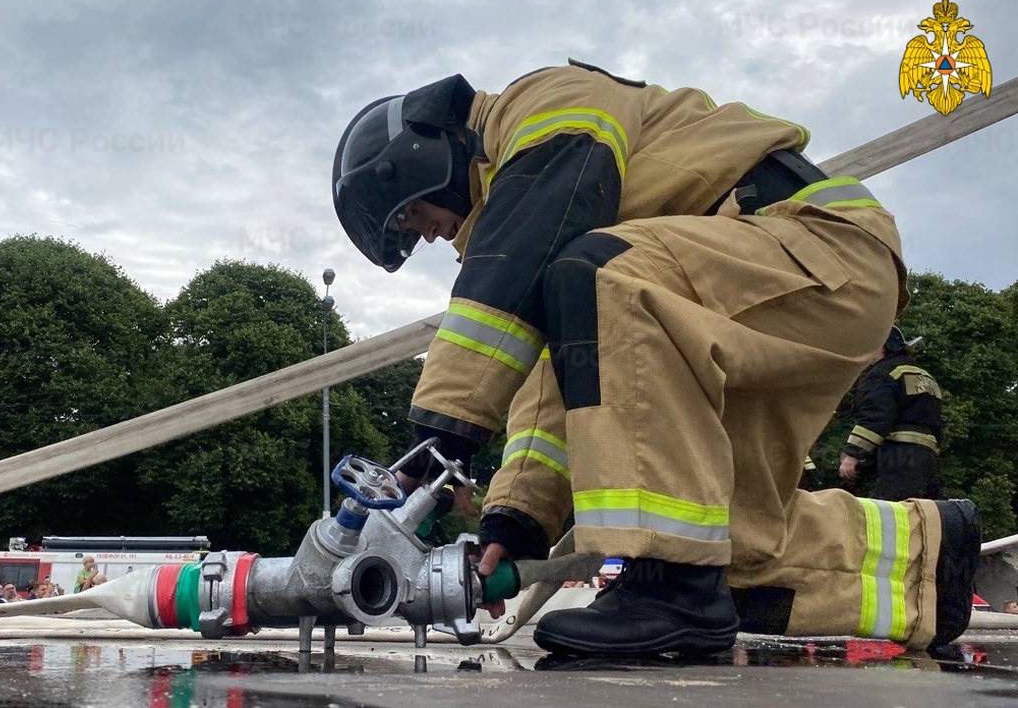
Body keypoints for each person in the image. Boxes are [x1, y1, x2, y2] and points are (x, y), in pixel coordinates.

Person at [331, 61, 979, 656]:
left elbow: (536, 266)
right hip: (753, 291)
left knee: (602, 278)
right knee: (725, 545)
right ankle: (929, 563)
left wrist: (438, 436)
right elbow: (563, 371)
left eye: (413, 216)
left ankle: (666, 583)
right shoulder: (545, 230)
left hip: (815, 246)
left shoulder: (544, 107)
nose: (430, 233)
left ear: (421, 157)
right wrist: (518, 517)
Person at [839, 328, 943, 500]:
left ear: (882, 347)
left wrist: (853, 454)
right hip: (928, 457)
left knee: (891, 512)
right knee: (920, 512)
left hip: (898, 456)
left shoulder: (882, 373)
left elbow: (875, 418)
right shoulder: (924, 376)